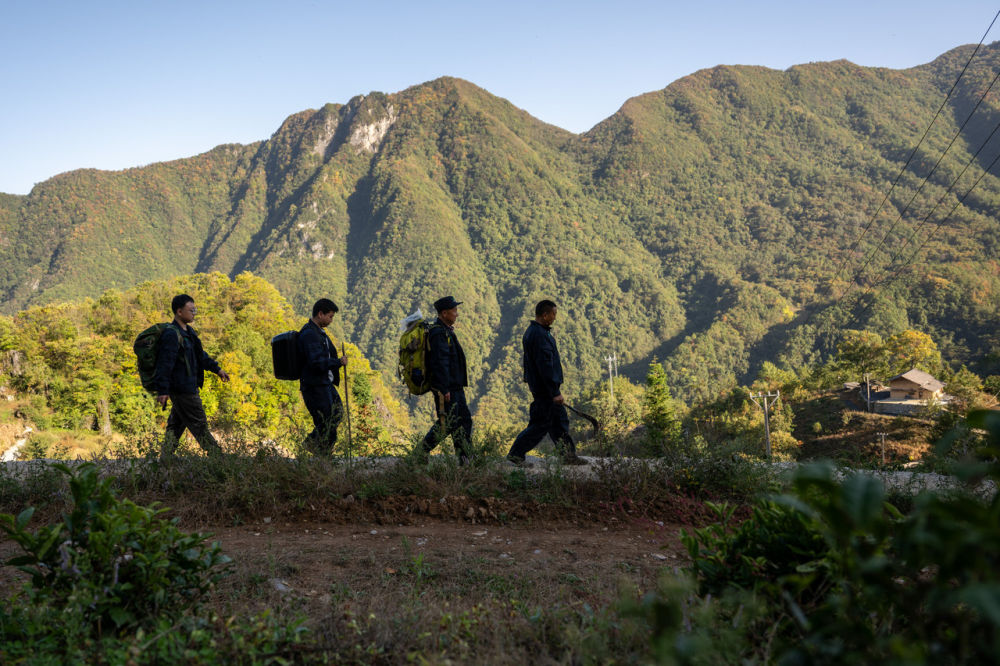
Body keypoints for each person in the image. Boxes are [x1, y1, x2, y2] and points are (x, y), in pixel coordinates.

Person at [507, 300, 587, 467]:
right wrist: (554, 391)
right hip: (545, 390)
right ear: (544, 315)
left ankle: (568, 455)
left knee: (559, 423)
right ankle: (516, 454)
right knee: (540, 425)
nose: (554, 317)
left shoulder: (536, 332)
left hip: (543, 388)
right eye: (553, 314)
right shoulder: (539, 335)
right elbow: (545, 366)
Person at [154, 294, 230, 458]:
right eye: (191, 310)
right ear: (179, 311)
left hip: (187, 386)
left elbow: (200, 355)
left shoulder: (189, 332)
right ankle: (219, 458)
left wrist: (217, 370)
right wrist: (163, 390)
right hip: (183, 389)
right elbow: (165, 363)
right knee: (199, 423)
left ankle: (166, 459)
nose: (194, 313)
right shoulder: (171, 334)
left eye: (195, 310)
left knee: (176, 425)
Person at [416, 296, 473, 465]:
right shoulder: (438, 333)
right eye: (454, 311)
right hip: (447, 388)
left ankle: (465, 458)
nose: (456, 314)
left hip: (455, 387)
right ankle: (421, 452)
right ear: (444, 313)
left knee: (462, 421)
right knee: (447, 422)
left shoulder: (445, 331)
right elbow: (439, 363)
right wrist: (444, 388)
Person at [297, 298, 348, 456]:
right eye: (330, 316)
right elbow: (316, 362)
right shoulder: (309, 334)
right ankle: (318, 450)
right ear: (320, 314)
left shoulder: (318, 332)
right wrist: (338, 362)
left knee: (336, 414)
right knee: (326, 420)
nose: (331, 320)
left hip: (325, 383)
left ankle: (320, 451)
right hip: (315, 386)